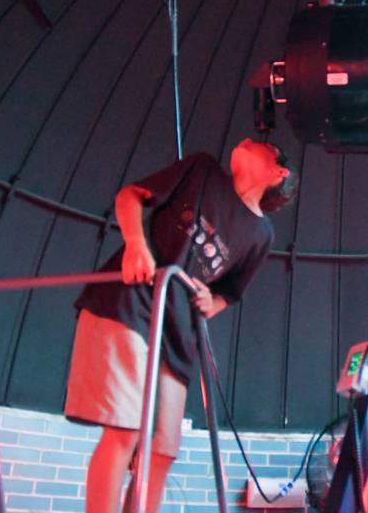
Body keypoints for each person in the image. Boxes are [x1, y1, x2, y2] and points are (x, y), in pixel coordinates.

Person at [64, 138, 298, 513]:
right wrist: (135, 244)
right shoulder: (203, 169)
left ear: (278, 171)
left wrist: (211, 301)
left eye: (262, 144)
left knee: (161, 452)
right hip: (132, 301)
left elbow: (230, 293)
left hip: (177, 331)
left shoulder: (261, 234)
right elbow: (130, 196)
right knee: (125, 430)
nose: (248, 139)